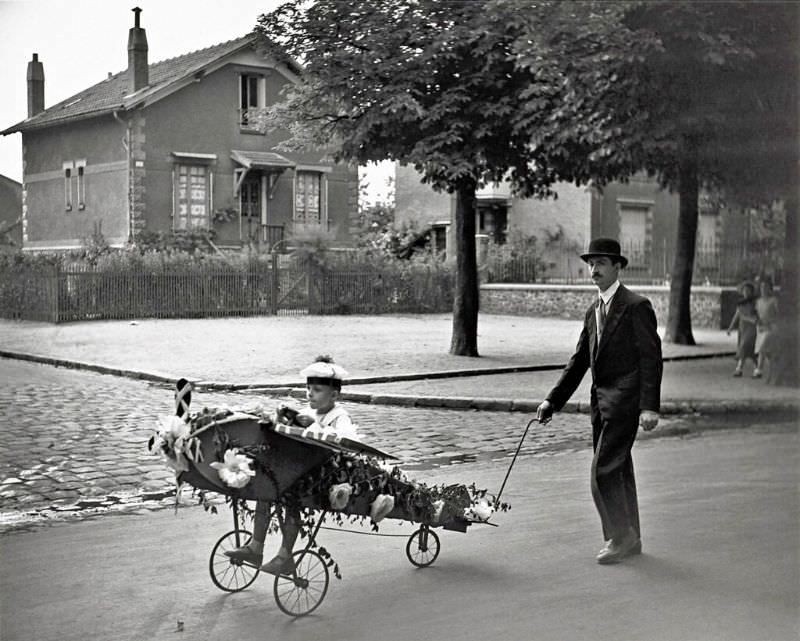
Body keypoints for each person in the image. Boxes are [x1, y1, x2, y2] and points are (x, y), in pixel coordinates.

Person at [536, 238, 663, 565]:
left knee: (602, 472)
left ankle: (619, 537)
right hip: (600, 403)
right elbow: (580, 360)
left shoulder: (636, 306)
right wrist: (553, 400)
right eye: (591, 263)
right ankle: (631, 537)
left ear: (617, 267)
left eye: (602, 263)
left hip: (626, 401)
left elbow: (651, 358)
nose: (594, 270)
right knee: (619, 471)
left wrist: (649, 406)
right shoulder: (593, 311)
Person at [225, 356, 357, 575]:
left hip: (320, 474)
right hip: (296, 468)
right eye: (308, 388)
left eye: (316, 390)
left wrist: (314, 425)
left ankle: (285, 556)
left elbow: (345, 440)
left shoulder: (339, 416)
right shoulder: (307, 412)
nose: (310, 394)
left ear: (334, 395)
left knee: (293, 501)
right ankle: (255, 547)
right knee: (265, 494)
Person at [727, 281, 758, 377]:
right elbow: (737, 315)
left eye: (748, 290)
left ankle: (739, 368)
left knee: (745, 345)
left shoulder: (754, 302)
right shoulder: (741, 303)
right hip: (743, 327)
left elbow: (757, 314)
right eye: (745, 290)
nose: (746, 292)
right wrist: (730, 328)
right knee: (747, 348)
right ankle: (757, 367)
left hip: (752, 327)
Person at [753, 278, 779, 379]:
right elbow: (757, 314)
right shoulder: (758, 301)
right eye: (762, 287)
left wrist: (772, 322)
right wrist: (758, 321)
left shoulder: (774, 300)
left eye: (766, 287)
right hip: (761, 327)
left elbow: (778, 314)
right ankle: (773, 369)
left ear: (770, 289)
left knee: (763, 348)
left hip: (772, 327)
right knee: (765, 351)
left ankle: (759, 369)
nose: (763, 289)